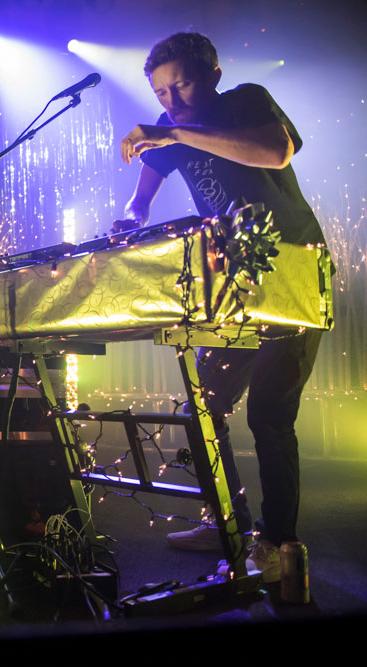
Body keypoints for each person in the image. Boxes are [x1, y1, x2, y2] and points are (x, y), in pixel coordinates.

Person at [117, 33, 328, 582]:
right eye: (162, 92)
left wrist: (174, 131)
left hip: (294, 275)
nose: (172, 100)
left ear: (212, 72)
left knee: (269, 415)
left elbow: (275, 150)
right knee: (202, 405)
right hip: (237, 288)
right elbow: (143, 190)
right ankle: (225, 519)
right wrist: (132, 216)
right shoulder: (173, 132)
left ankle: (281, 544)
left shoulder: (244, 100)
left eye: (181, 83)